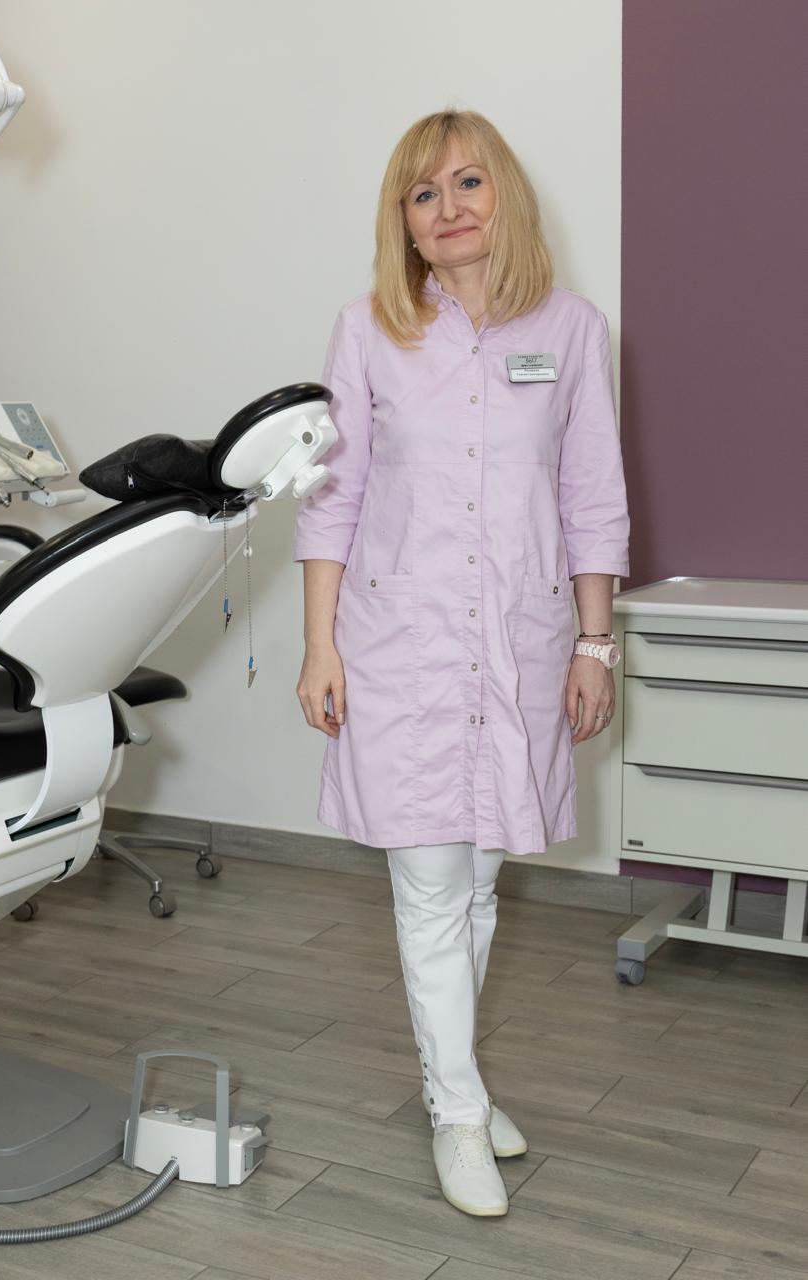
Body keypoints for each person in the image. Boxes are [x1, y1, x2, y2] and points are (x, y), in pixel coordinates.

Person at [293, 108, 630, 1217]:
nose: (448, 208)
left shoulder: (573, 329)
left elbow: (591, 496)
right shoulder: (366, 331)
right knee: (432, 885)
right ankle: (454, 1111)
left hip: (520, 646)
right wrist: (318, 645)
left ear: (505, 195)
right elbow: (331, 499)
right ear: (403, 220)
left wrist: (593, 642)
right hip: (398, 647)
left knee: (480, 881)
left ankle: (462, 1083)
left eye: (468, 183)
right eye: (423, 193)